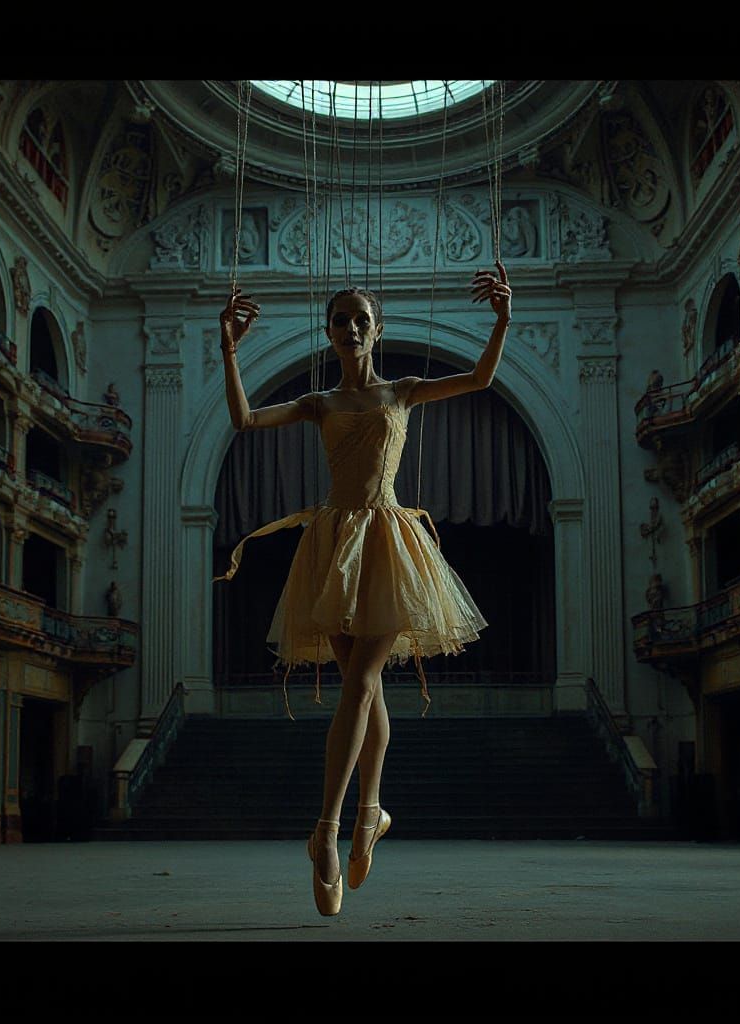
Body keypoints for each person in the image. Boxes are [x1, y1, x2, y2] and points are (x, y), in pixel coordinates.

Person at [216, 262, 513, 915]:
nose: (350, 328)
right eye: (340, 320)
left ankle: (325, 829)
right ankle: (371, 810)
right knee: (364, 686)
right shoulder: (320, 403)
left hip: (386, 538)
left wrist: (501, 321)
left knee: (361, 682)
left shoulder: (402, 392)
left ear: (377, 329)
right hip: (333, 544)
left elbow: (480, 379)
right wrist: (230, 351)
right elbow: (243, 419)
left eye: (361, 320)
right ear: (328, 332)